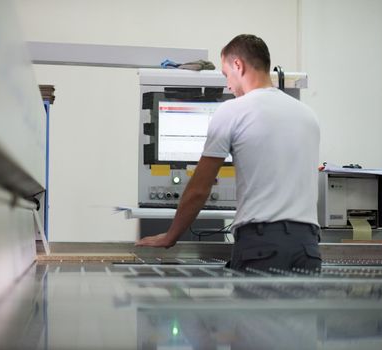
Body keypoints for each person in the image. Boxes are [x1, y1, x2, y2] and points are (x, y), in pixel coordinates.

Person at [136, 34, 322, 272]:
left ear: (238, 65)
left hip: (262, 246)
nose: (227, 85)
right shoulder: (308, 115)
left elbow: (199, 189)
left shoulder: (232, 111)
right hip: (307, 247)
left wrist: (171, 236)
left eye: (226, 75)